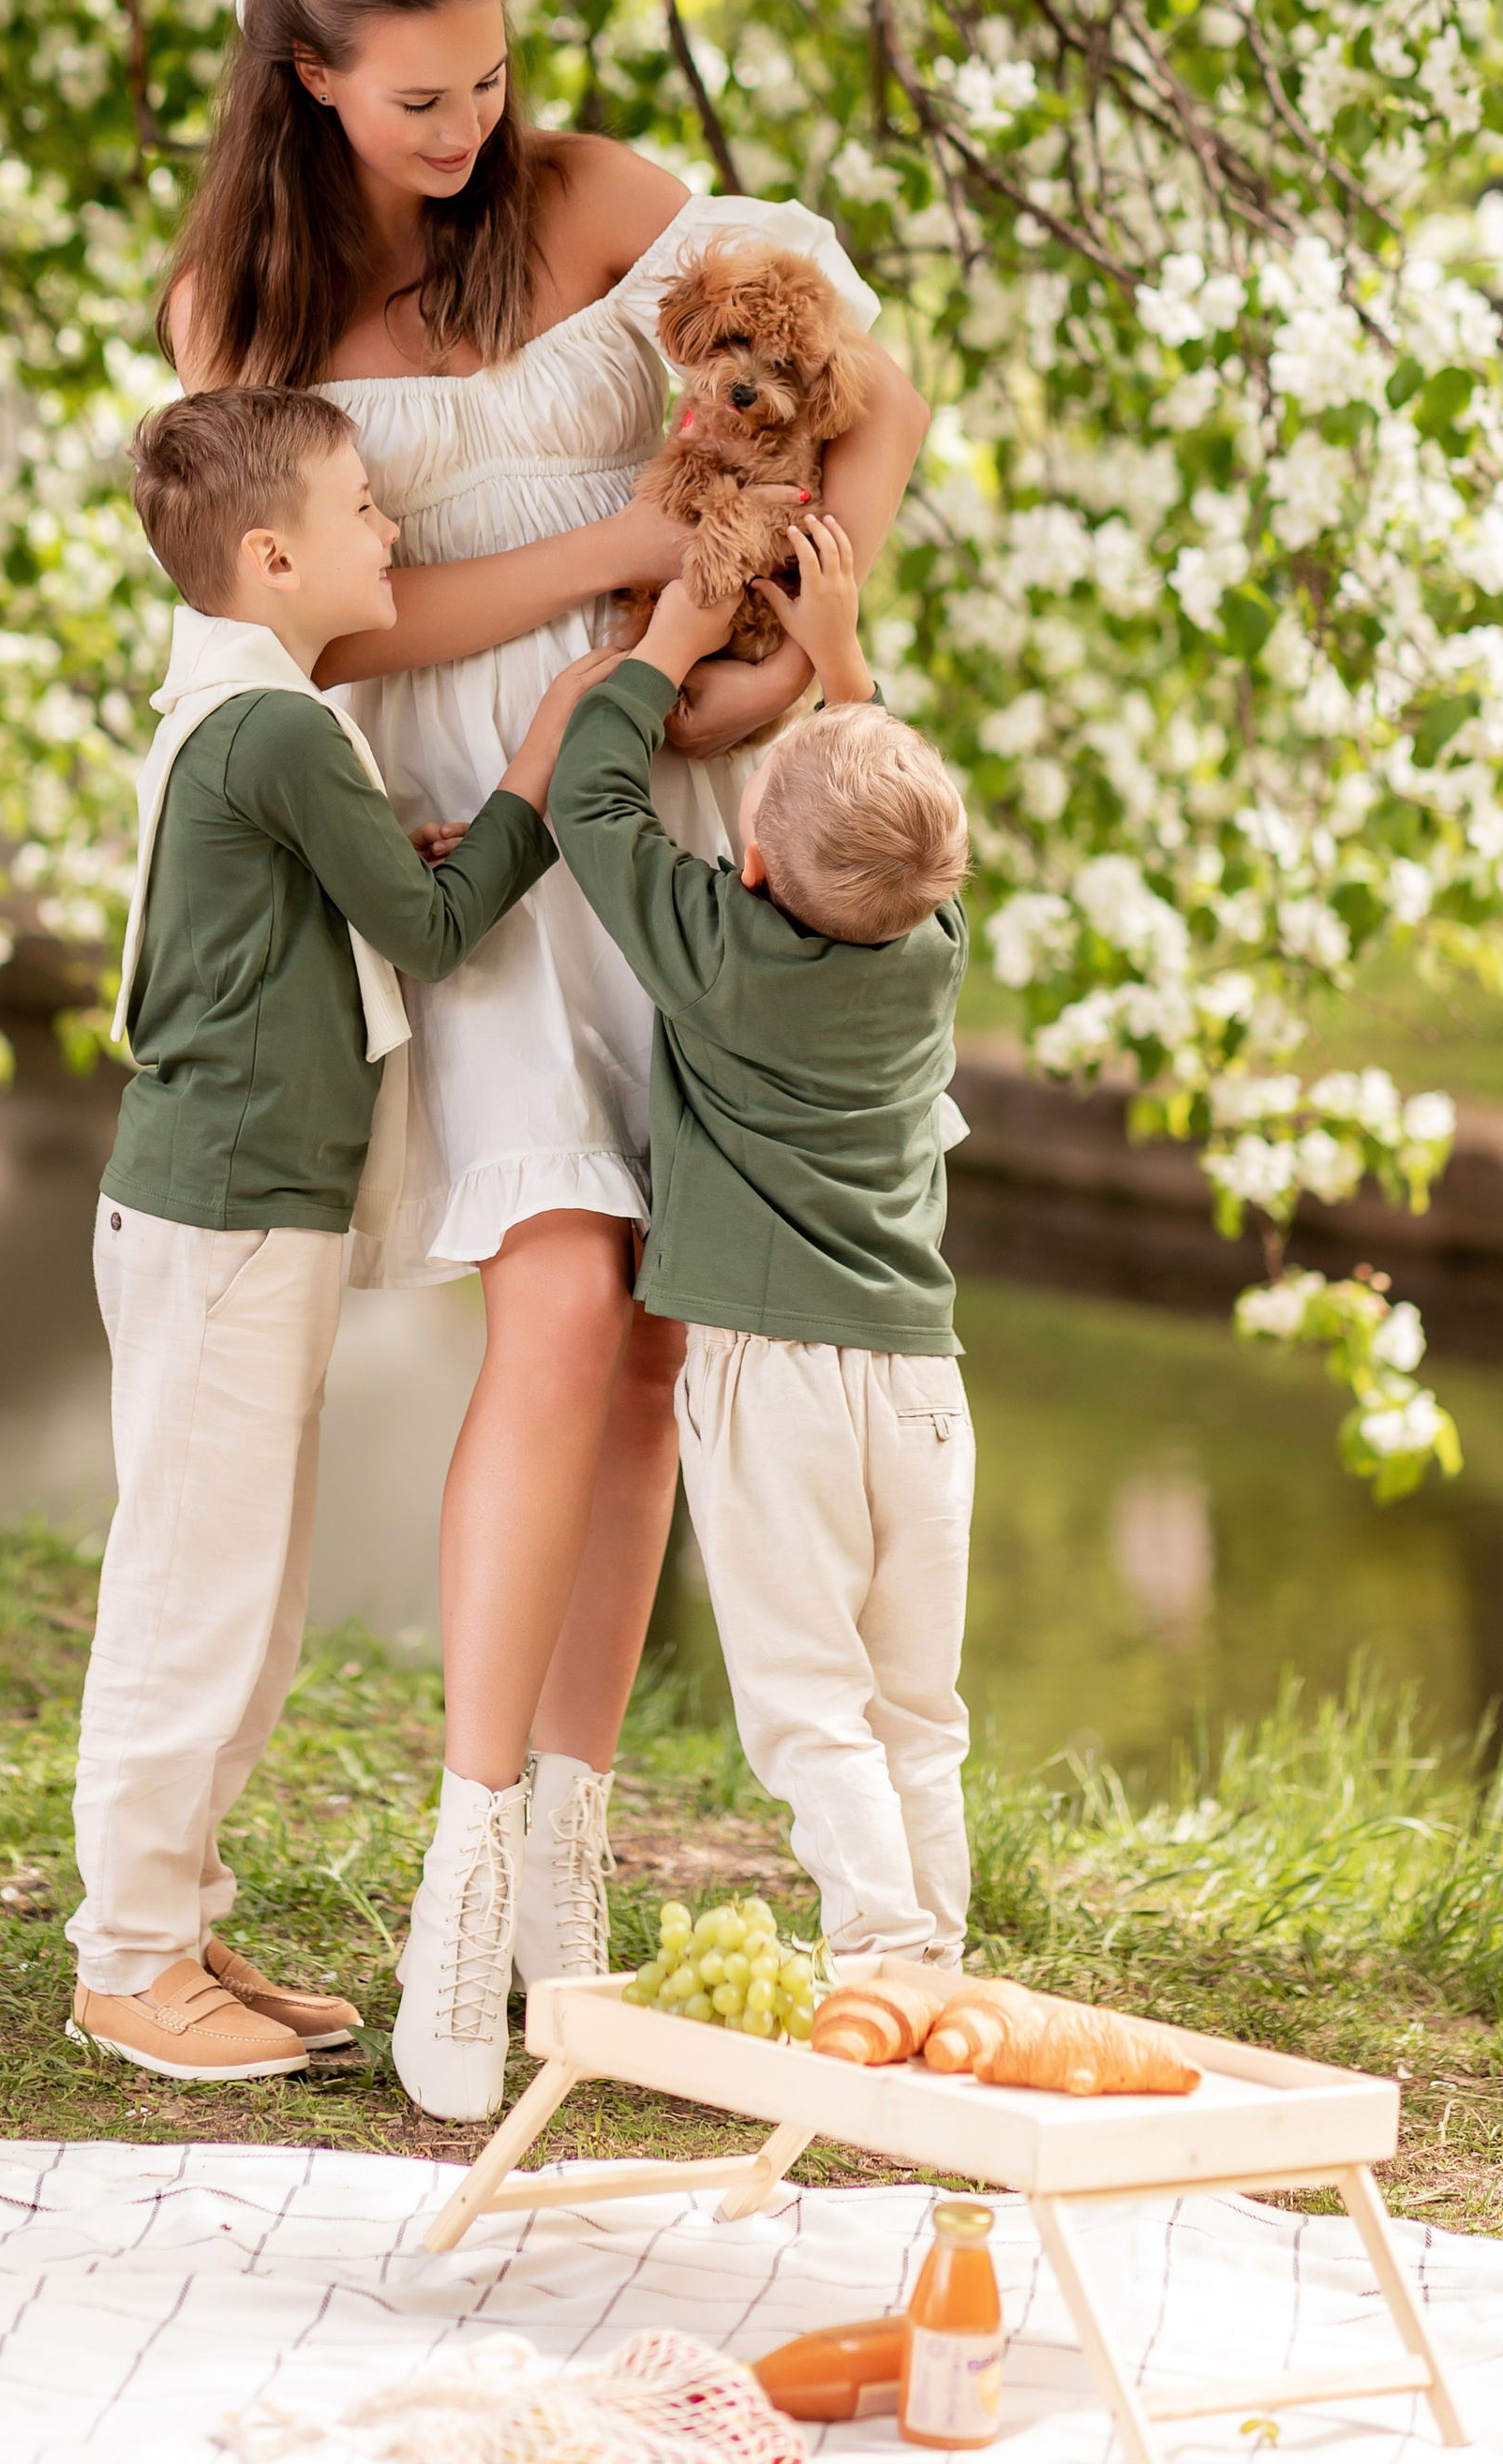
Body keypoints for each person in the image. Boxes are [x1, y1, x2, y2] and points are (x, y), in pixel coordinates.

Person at [161, 0, 929, 2117]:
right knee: (565, 1290)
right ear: (306, 76)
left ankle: (572, 1856)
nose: (467, 127)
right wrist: (621, 547)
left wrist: (793, 621)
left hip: (667, 783)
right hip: (475, 827)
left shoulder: (599, 196)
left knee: (660, 1329)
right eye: (416, 97)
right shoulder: (242, 299)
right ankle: (467, 1855)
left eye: (487, 78)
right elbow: (331, 621)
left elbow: (871, 394)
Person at [68, 382, 613, 2082]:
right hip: (226, 1217)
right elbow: (435, 935)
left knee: (250, 1599)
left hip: (243, 1214)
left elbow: (314, 906)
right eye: (363, 507)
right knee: (195, 1596)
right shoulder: (286, 730)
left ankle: (175, 1922)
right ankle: (127, 1961)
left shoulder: (256, 716)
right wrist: (544, 756)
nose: (392, 529)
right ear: (272, 555)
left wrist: (393, 852)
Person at [547, 513, 977, 1970]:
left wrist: (661, 647)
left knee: (805, 1703)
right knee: (915, 1707)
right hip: (921, 1386)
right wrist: (840, 658)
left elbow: (589, 802)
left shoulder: (719, 954)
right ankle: (934, 1965)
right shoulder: (928, 955)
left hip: (772, 1376)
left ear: (749, 856)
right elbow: (894, 838)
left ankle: (882, 1952)